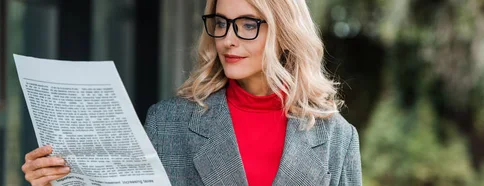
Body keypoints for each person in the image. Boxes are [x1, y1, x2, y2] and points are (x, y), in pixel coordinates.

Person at [21, 0, 362, 185]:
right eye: (220, 22)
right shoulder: (170, 121)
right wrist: (52, 184)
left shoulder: (337, 137)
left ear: (285, 32)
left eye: (247, 25)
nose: (228, 38)